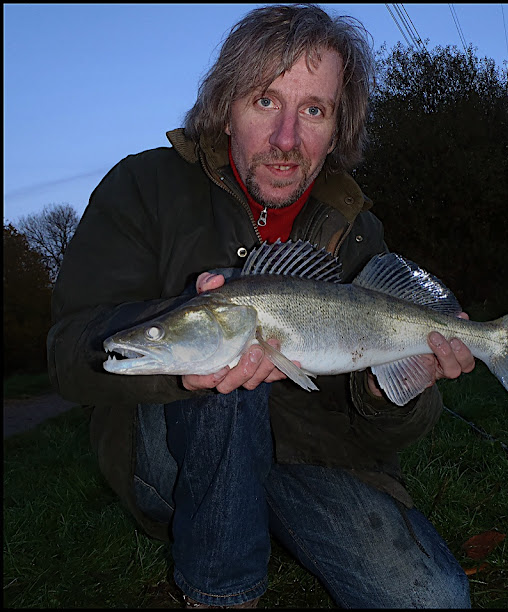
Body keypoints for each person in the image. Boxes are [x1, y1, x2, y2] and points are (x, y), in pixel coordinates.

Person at [47, 4, 475, 608]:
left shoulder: (359, 232)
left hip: (309, 458)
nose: (286, 139)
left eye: (314, 110)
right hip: (174, 460)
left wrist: (390, 390)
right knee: (231, 354)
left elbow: (389, 434)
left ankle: (269, 521)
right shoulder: (144, 188)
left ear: (337, 129)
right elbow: (70, 352)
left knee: (434, 600)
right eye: (266, 101)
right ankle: (222, 593)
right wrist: (176, 365)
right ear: (226, 110)